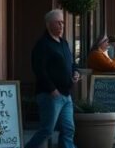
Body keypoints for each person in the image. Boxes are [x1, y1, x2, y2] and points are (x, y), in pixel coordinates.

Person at [26, 9, 80, 148]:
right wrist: (52, 89)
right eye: (58, 23)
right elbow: (39, 70)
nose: (62, 25)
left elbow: (72, 63)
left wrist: (75, 72)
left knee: (68, 129)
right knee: (47, 130)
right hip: (50, 95)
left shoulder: (64, 43)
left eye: (62, 22)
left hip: (66, 95)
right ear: (49, 24)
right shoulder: (42, 45)